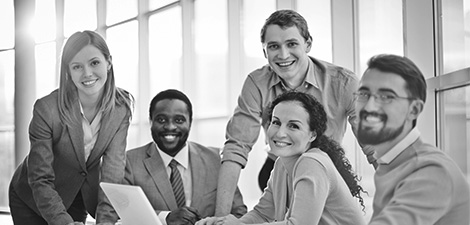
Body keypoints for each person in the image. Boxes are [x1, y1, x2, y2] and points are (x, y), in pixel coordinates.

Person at [215, 9, 375, 216]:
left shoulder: (343, 83)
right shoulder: (256, 83)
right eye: (274, 46)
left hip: (326, 171)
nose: (283, 55)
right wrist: (219, 218)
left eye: (291, 44)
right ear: (265, 52)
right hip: (279, 168)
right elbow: (236, 146)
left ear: (308, 44)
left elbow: (374, 146)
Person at [8, 30, 134, 225]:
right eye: (77, 67)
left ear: (108, 63)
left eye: (94, 63)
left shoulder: (121, 108)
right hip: (32, 198)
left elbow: (113, 174)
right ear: (68, 71)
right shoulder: (47, 109)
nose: (87, 73)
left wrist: (106, 222)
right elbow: (40, 178)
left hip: (76, 196)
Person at [197, 91, 366, 225]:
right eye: (276, 122)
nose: (280, 133)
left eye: (293, 126)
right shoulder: (281, 164)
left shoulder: (312, 163)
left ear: (312, 135)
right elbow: (262, 213)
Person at [355, 54, 470, 224]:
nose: (369, 106)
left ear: (414, 109)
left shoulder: (431, 172)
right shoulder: (391, 162)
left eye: (387, 97)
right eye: (364, 94)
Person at [123, 89, 247, 225]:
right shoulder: (129, 162)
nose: (170, 126)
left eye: (179, 120)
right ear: (151, 121)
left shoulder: (217, 160)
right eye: (161, 119)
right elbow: (120, 214)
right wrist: (165, 218)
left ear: (190, 122)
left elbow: (239, 214)